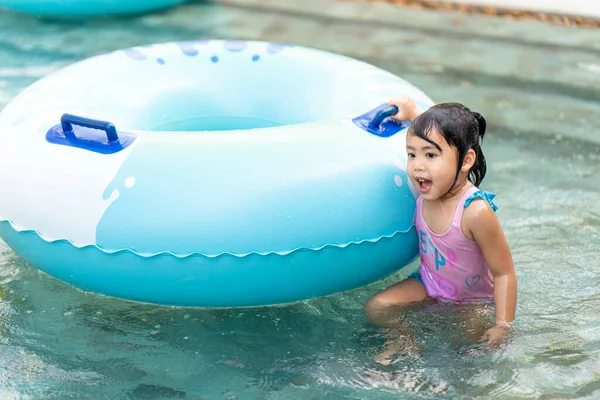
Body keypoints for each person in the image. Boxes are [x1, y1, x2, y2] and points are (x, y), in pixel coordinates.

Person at [364, 97, 517, 365]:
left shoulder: (475, 212)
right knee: (377, 307)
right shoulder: (430, 185)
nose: (418, 166)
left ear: (466, 160)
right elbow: (440, 137)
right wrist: (412, 113)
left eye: (430, 155)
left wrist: (503, 324)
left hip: (472, 301)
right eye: (412, 154)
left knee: (466, 348)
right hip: (428, 283)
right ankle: (404, 342)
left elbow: (504, 272)